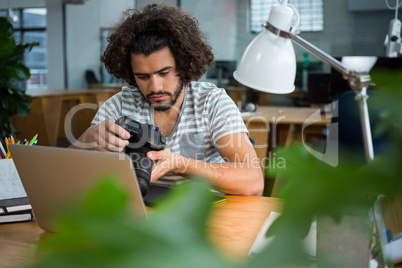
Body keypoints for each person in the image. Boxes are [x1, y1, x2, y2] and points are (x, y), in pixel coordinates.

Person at [70, 3, 264, 196]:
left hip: (203, 211)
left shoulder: (212, 101)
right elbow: (64, 176)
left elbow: (253, 181)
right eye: (143, 77)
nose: (155, 87)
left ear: (184, 64)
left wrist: (180, 164)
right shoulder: (119, 105)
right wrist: (85, 141)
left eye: (164, 73)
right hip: (135, 212)